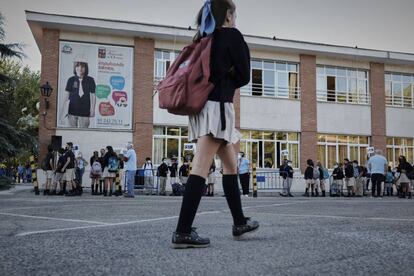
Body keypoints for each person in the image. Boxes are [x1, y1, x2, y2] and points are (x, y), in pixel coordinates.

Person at [172, 0, 258, 249]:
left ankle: (240, 222)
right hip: (217, 108)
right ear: (229, 15)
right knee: (200, 167)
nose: (235, 18)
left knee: (231, 165)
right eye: (234, 14)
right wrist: (230, 72)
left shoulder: (202, 38)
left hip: (202, 108)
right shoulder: (231, 36)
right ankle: (183, 231)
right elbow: (244, 75)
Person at [59, 54, 96, 128]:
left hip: (85, 111)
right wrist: (62, 113)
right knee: (72, 132)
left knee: (84, 133)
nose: (80, 68)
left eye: (82, 66)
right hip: (72, 111)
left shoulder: (90, 80)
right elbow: (66, 97)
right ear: (75, 67)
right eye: (77, 66)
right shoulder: (71, 80)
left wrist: (92, 110)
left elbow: (93, 95)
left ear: (86, 68)